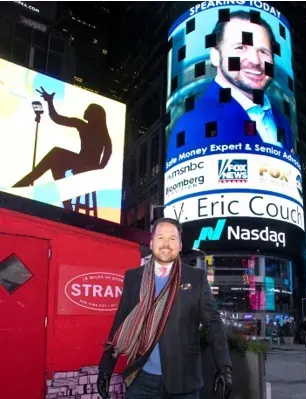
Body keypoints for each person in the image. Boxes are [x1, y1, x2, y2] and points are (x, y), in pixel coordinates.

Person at [97, 218, 232, 399]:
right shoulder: (133, 277)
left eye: (172, 239)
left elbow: (213, 325)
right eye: (160, 238)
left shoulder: (196, 278)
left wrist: (224, 366)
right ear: (151, 243)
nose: (166, 244)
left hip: (183, 380)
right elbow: (120, 324)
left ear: (180, 245)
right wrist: (105, 368)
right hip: (141, 378)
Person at [166, 11, 294, 164]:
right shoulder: (192, 122)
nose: (255, 60)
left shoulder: (282, 121)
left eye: (263, 51)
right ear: (215, 56)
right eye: (240, 48)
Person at [13, 86, 112, 210]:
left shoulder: (98, 132)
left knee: (55, 154)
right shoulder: (85, 126)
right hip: (82, 163)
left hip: (86, 166)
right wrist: (50, 102)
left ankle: (24, 184)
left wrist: (95, 169)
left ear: (94, 115)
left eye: (88, 110)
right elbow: (57, 119)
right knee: (56, 164)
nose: (85, 111)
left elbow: (107, 154)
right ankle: (67, 204)